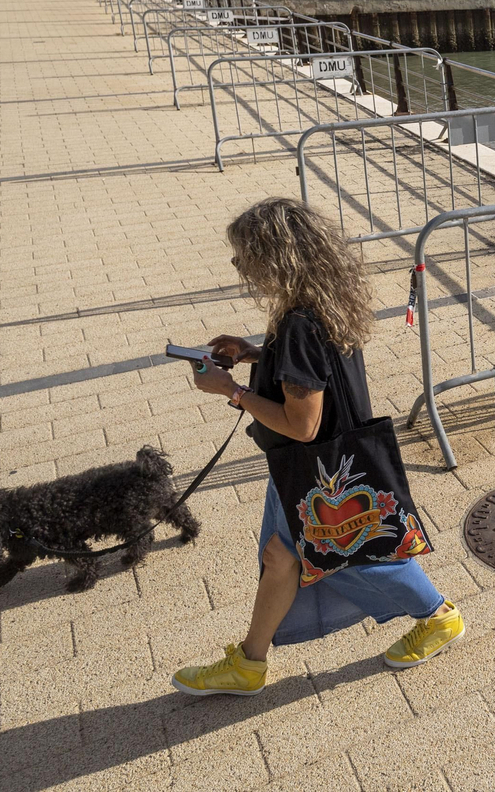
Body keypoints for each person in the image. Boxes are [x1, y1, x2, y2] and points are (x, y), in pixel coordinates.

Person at [171, 198, 463, 696]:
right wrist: (252, 352)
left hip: (319, 468)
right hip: (329, 464)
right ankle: (249, 663)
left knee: (351, 551)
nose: (238, 266)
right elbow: (311, 370)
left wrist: (231, 391)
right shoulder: (321, 302)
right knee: (285, 555)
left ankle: (437, 615)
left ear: (274, 258)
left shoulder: (297, 325)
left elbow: (301, 425)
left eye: (245, 255)